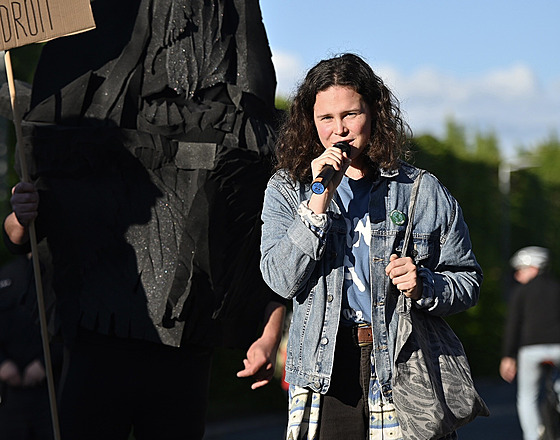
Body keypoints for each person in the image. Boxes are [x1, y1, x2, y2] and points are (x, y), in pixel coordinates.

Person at [3, 0, 285, 439]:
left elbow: (251, 239)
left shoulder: (228, 140)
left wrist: (266, 332)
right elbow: (22, 236)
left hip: (183, 343)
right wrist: (23, 214)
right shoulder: (81, 139)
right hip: (99, 335)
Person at [259, 53, 483, 440]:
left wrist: (424, 283)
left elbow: (468, 281)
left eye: (351, 114)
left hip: (401, 364)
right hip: (323, 369)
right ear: (310, 123)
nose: (339, 130)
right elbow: (279, 279)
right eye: (326, 118)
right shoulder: (286, 188)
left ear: (374, 113)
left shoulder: (419, 191)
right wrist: (317, 201)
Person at [500, 246, 560, 440]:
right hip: (558, 349)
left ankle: (532, 436)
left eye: (521, 270)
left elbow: (513, 325)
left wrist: (508, 356)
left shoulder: (521, 292)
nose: (518, 275)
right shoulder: (557, 288)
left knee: (527, 397)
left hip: (530, 350)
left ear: (534, 268)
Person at [0, 253, 62, 440]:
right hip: (11, 393)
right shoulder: (5, 275)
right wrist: (2, 363)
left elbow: (73, 329)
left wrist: (46, 362)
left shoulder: (62, 274)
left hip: (53, 388)